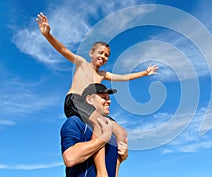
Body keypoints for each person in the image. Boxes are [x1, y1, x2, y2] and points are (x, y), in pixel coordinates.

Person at [36, 12, 158, 177]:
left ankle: (113, 172)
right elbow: (63, 49)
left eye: (106, 55)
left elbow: (124, 77)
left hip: (92, 106)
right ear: (91, 53)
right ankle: (102, 173)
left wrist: (144, 73)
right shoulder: (81, 63)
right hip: (76, 101)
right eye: (100, 53)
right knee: (101, 125)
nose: (103, 56)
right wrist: (48, 34)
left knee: (121, 132)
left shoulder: (103, 74)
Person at [61, 83, 128, 177]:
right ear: (89, 99)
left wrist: (121, 158)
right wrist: (102, 139)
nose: (109, 101)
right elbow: (70, 158)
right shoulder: (75, 122)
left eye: (109, 98)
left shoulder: (112, 133)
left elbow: (113, 168)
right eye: (103, 97)